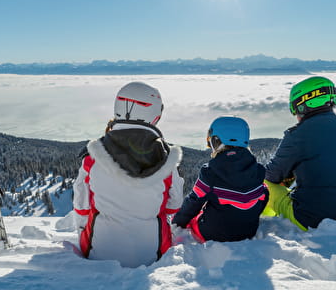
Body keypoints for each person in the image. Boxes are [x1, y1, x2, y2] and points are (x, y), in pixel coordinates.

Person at [73, 81, 184, 267]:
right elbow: (174, 205)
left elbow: (81, 206)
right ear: (154, 113)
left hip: (97, 251)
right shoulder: (167, 160)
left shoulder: (92, 157)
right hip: (153, 253)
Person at [264, 76, 336, 231]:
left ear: (301, 106)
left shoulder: (297, 135)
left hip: (314, 220)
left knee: (265, 184)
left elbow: (272, 175)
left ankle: (264, 224)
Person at [172, 116, 269, 242]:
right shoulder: (258, 170)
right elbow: (264, 195)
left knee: (196, 219)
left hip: (214, 233)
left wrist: (177, 222)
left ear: (216, 141)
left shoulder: (210, 172)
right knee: (263, 189)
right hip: (249, 231)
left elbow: (194, 201)